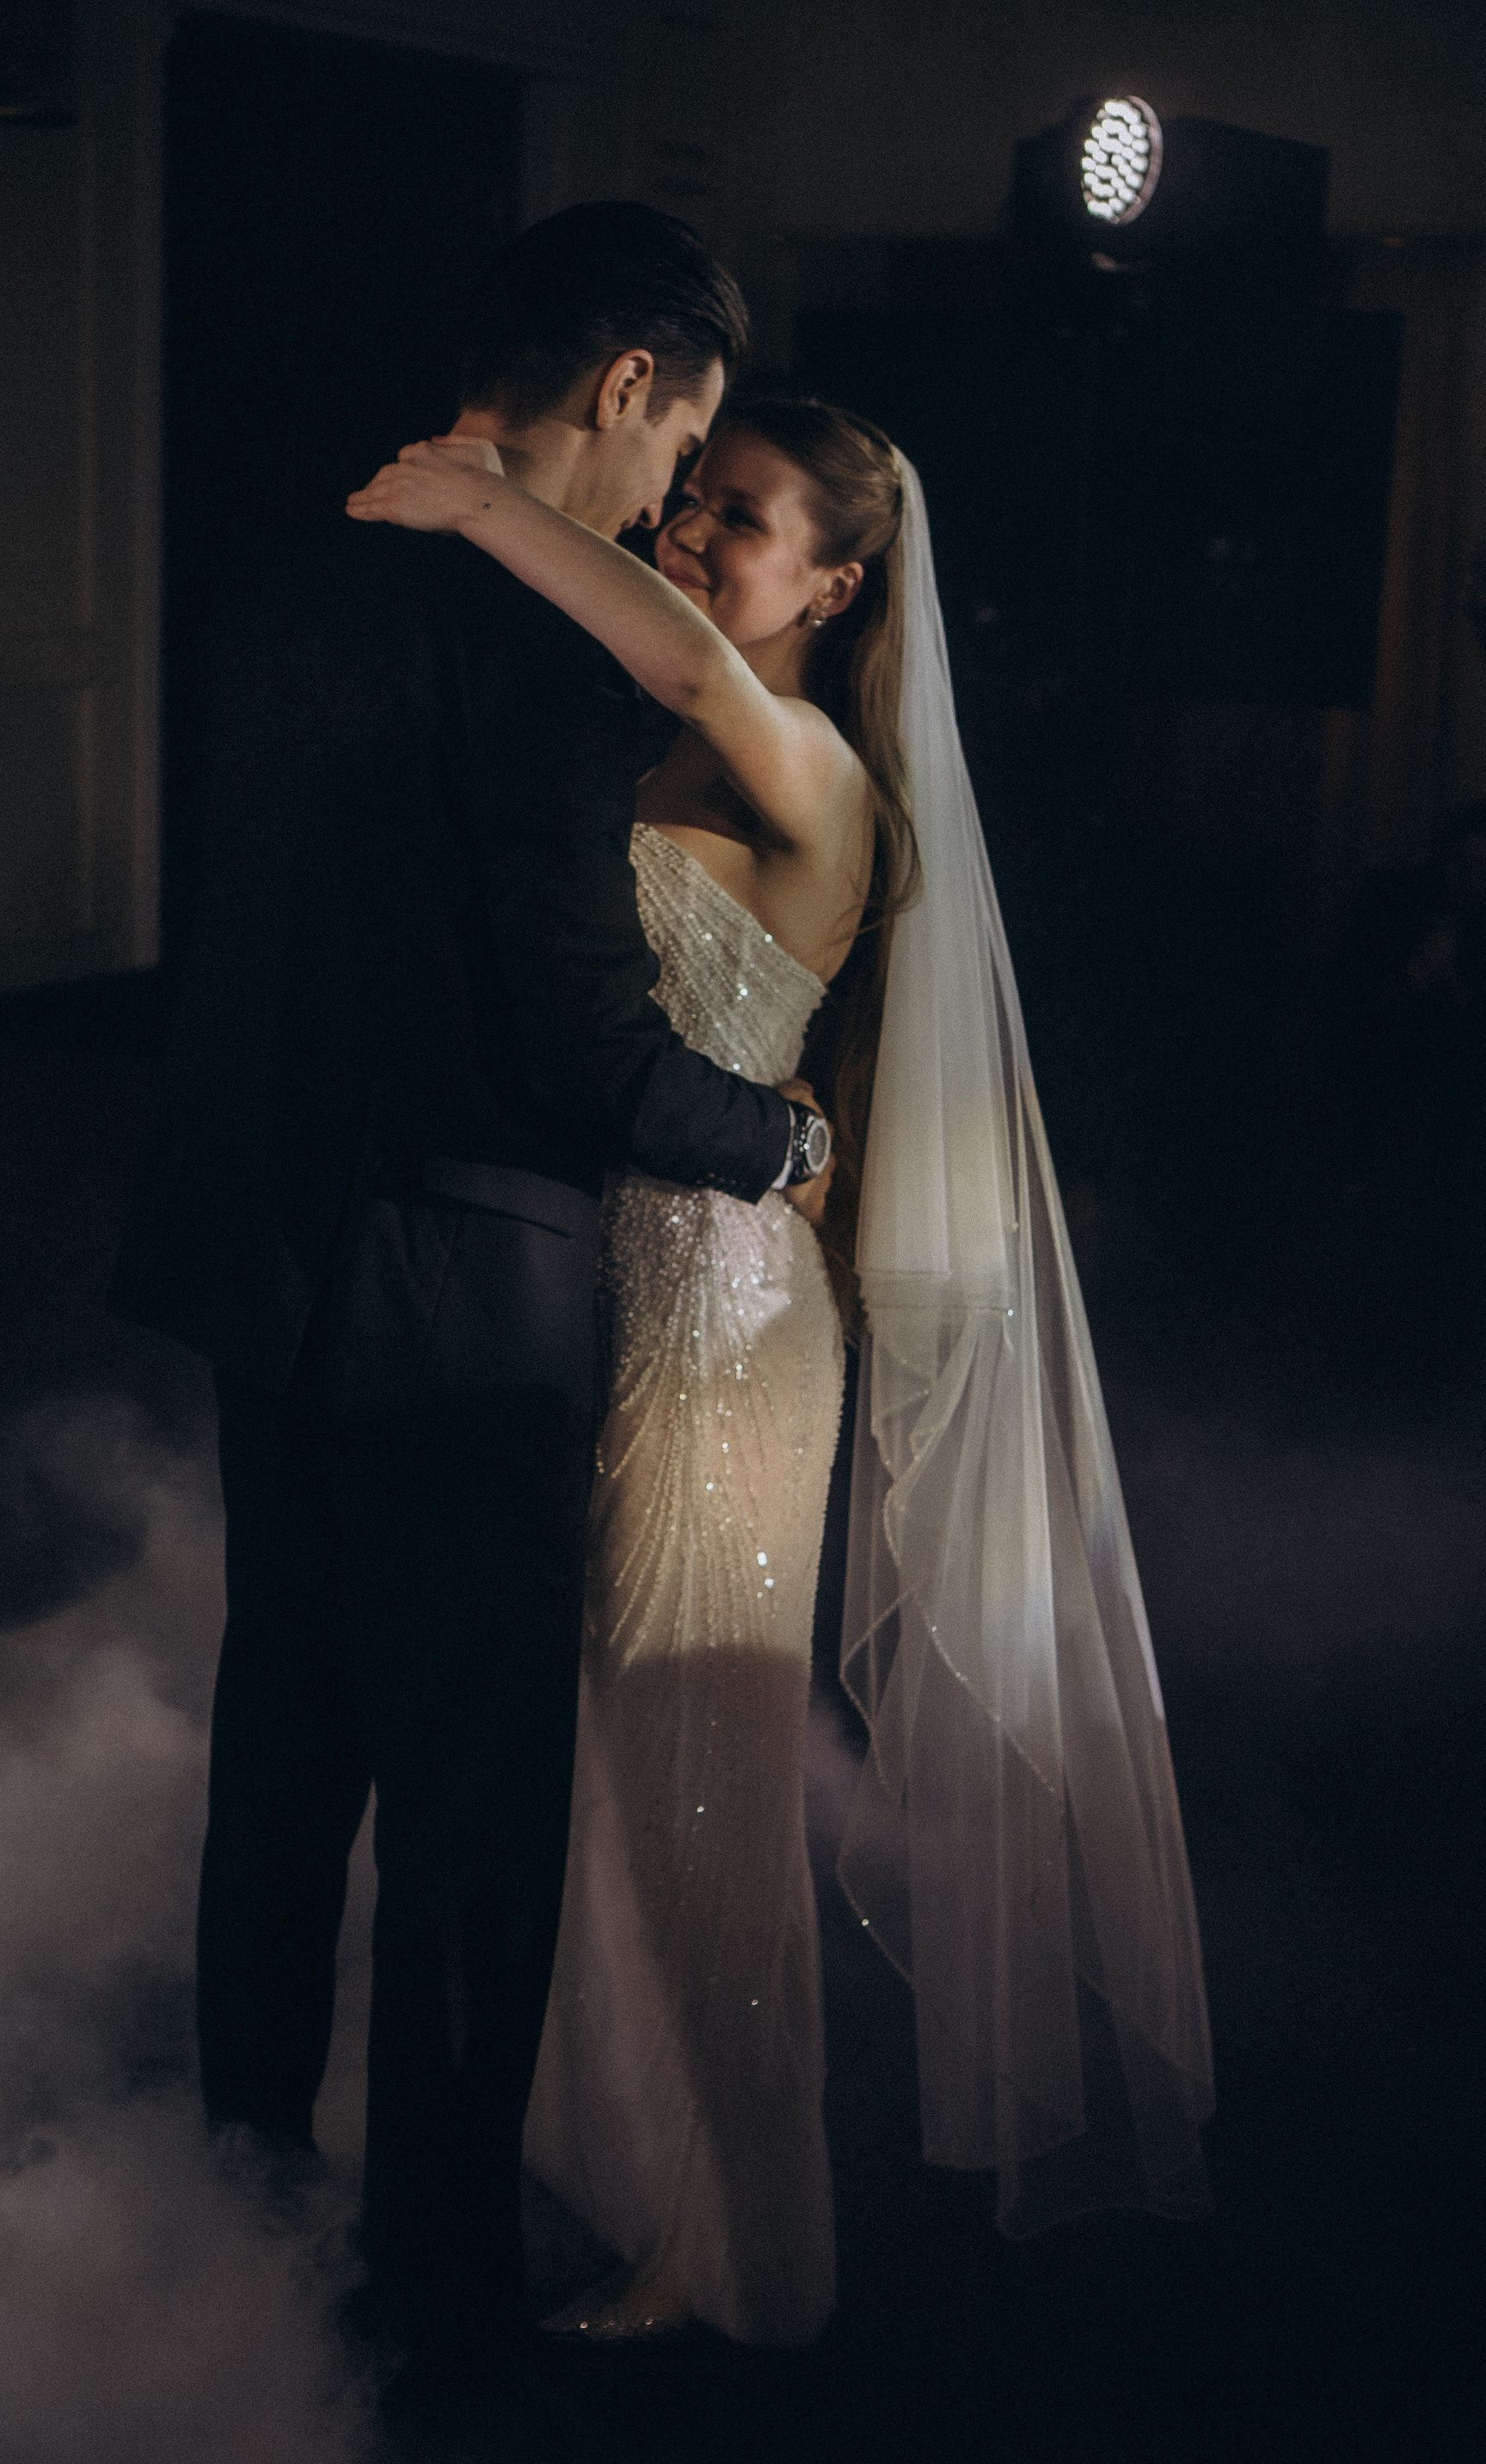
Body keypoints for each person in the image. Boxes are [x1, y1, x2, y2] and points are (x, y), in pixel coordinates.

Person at [348, 395, 1216, 2341]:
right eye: (692, 501)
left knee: (698, 1798)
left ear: (835, 586)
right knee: (580, 1766)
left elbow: (676, 661)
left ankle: (731, 2240)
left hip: (725, 1330)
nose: (687, 532)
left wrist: (484, 500)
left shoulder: (806, 756)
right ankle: (598, 2147)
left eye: (737, 518)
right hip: (593, 1295)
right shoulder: (653, 729)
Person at [109, 205, 835, 2402]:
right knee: (468, 1826)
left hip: (263, 1262)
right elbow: (585, 1050)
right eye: (681, 445)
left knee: (278, 1763)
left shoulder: (282, 572)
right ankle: (433, 2295)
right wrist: (776, 1145)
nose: (671, 498)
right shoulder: (546, 651)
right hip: (458, 1306)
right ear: (627, 384)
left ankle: (240, 2191)